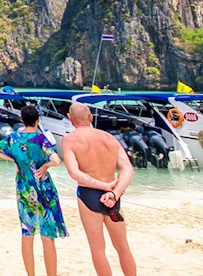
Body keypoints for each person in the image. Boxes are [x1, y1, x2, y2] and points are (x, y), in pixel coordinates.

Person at [62, 103, 136, 276]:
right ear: (91, 118)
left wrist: (103, 187)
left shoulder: (69, 140)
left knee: (97, 249)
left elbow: (74, 173)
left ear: (70, 118)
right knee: (123, 247)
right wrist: (114, 193)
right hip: (113, 198)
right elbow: (128, 170)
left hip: (89, 195)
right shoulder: (109, 138)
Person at [0, 106, 67, 276]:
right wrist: (45, 166)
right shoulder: (40, 139)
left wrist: (15, 160)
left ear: (21, 119)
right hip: (43, 187)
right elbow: (56, 160)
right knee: (47, 236)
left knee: (27, 232)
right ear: (37, 120)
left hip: (24, 188)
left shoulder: (14, 137)